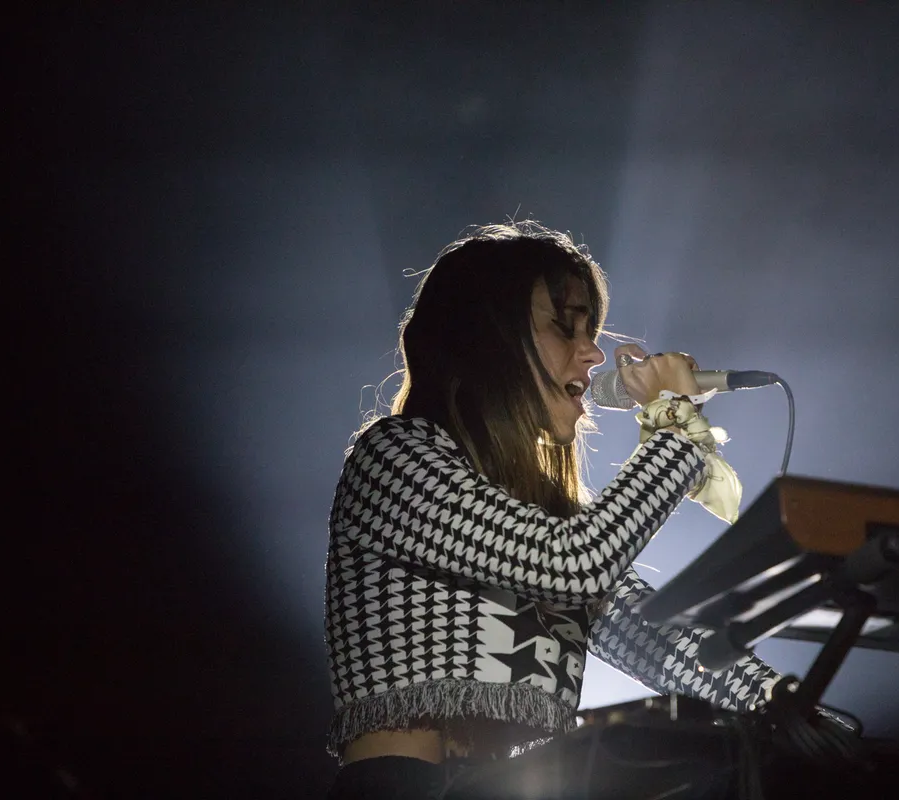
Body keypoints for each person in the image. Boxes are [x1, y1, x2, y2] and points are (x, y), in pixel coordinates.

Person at [324, 221, 781, 799]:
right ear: (489, 338)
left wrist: (794, 709)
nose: (593, 354)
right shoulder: (395, 457)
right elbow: (573, 564)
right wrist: (675, 429)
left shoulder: (543, 513)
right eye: (566, 328)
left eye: (591, 331)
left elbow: (664, 643)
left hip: (501, 786)